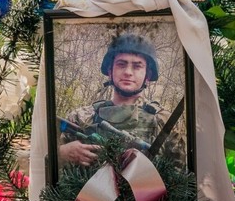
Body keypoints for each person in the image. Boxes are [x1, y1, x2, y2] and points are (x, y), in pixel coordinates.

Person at [58, 33, 184, 167]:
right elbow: (51, 173)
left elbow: (183, 178)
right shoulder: (81, 118)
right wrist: (62, 154)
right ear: (110, 70)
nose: (128, 72)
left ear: (148, 75)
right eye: (121, 64)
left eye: (137, 66)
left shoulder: (165, 121)